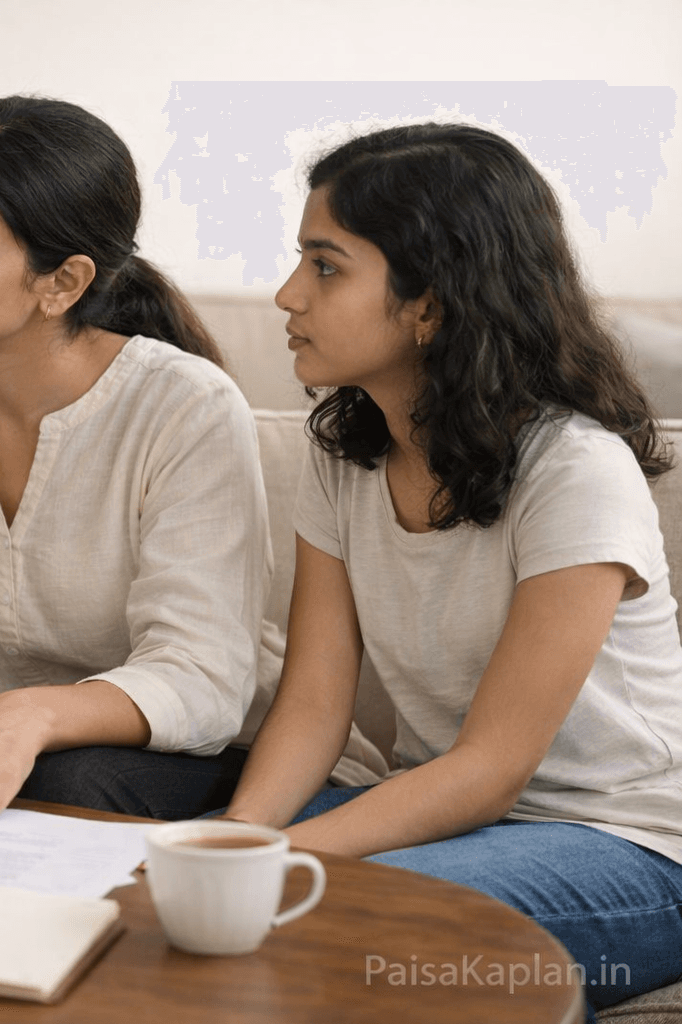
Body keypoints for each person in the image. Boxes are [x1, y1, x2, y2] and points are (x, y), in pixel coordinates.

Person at [222, 123, 682, 1020]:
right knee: (168, 850)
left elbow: (491, 769)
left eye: (325, 266)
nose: (287, 294)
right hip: (446, 819)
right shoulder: (345, 459)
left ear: (429, 305)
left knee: (349, 910)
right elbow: (314, 703)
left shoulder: (576, 470)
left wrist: (280, 860)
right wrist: (237, 839)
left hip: (630, 843)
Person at [0, 97, 270, 829]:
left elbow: (200, 680)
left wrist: (28, 717)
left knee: (63, 782)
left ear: (63, 283)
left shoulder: (186, 406)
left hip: (184, 760)